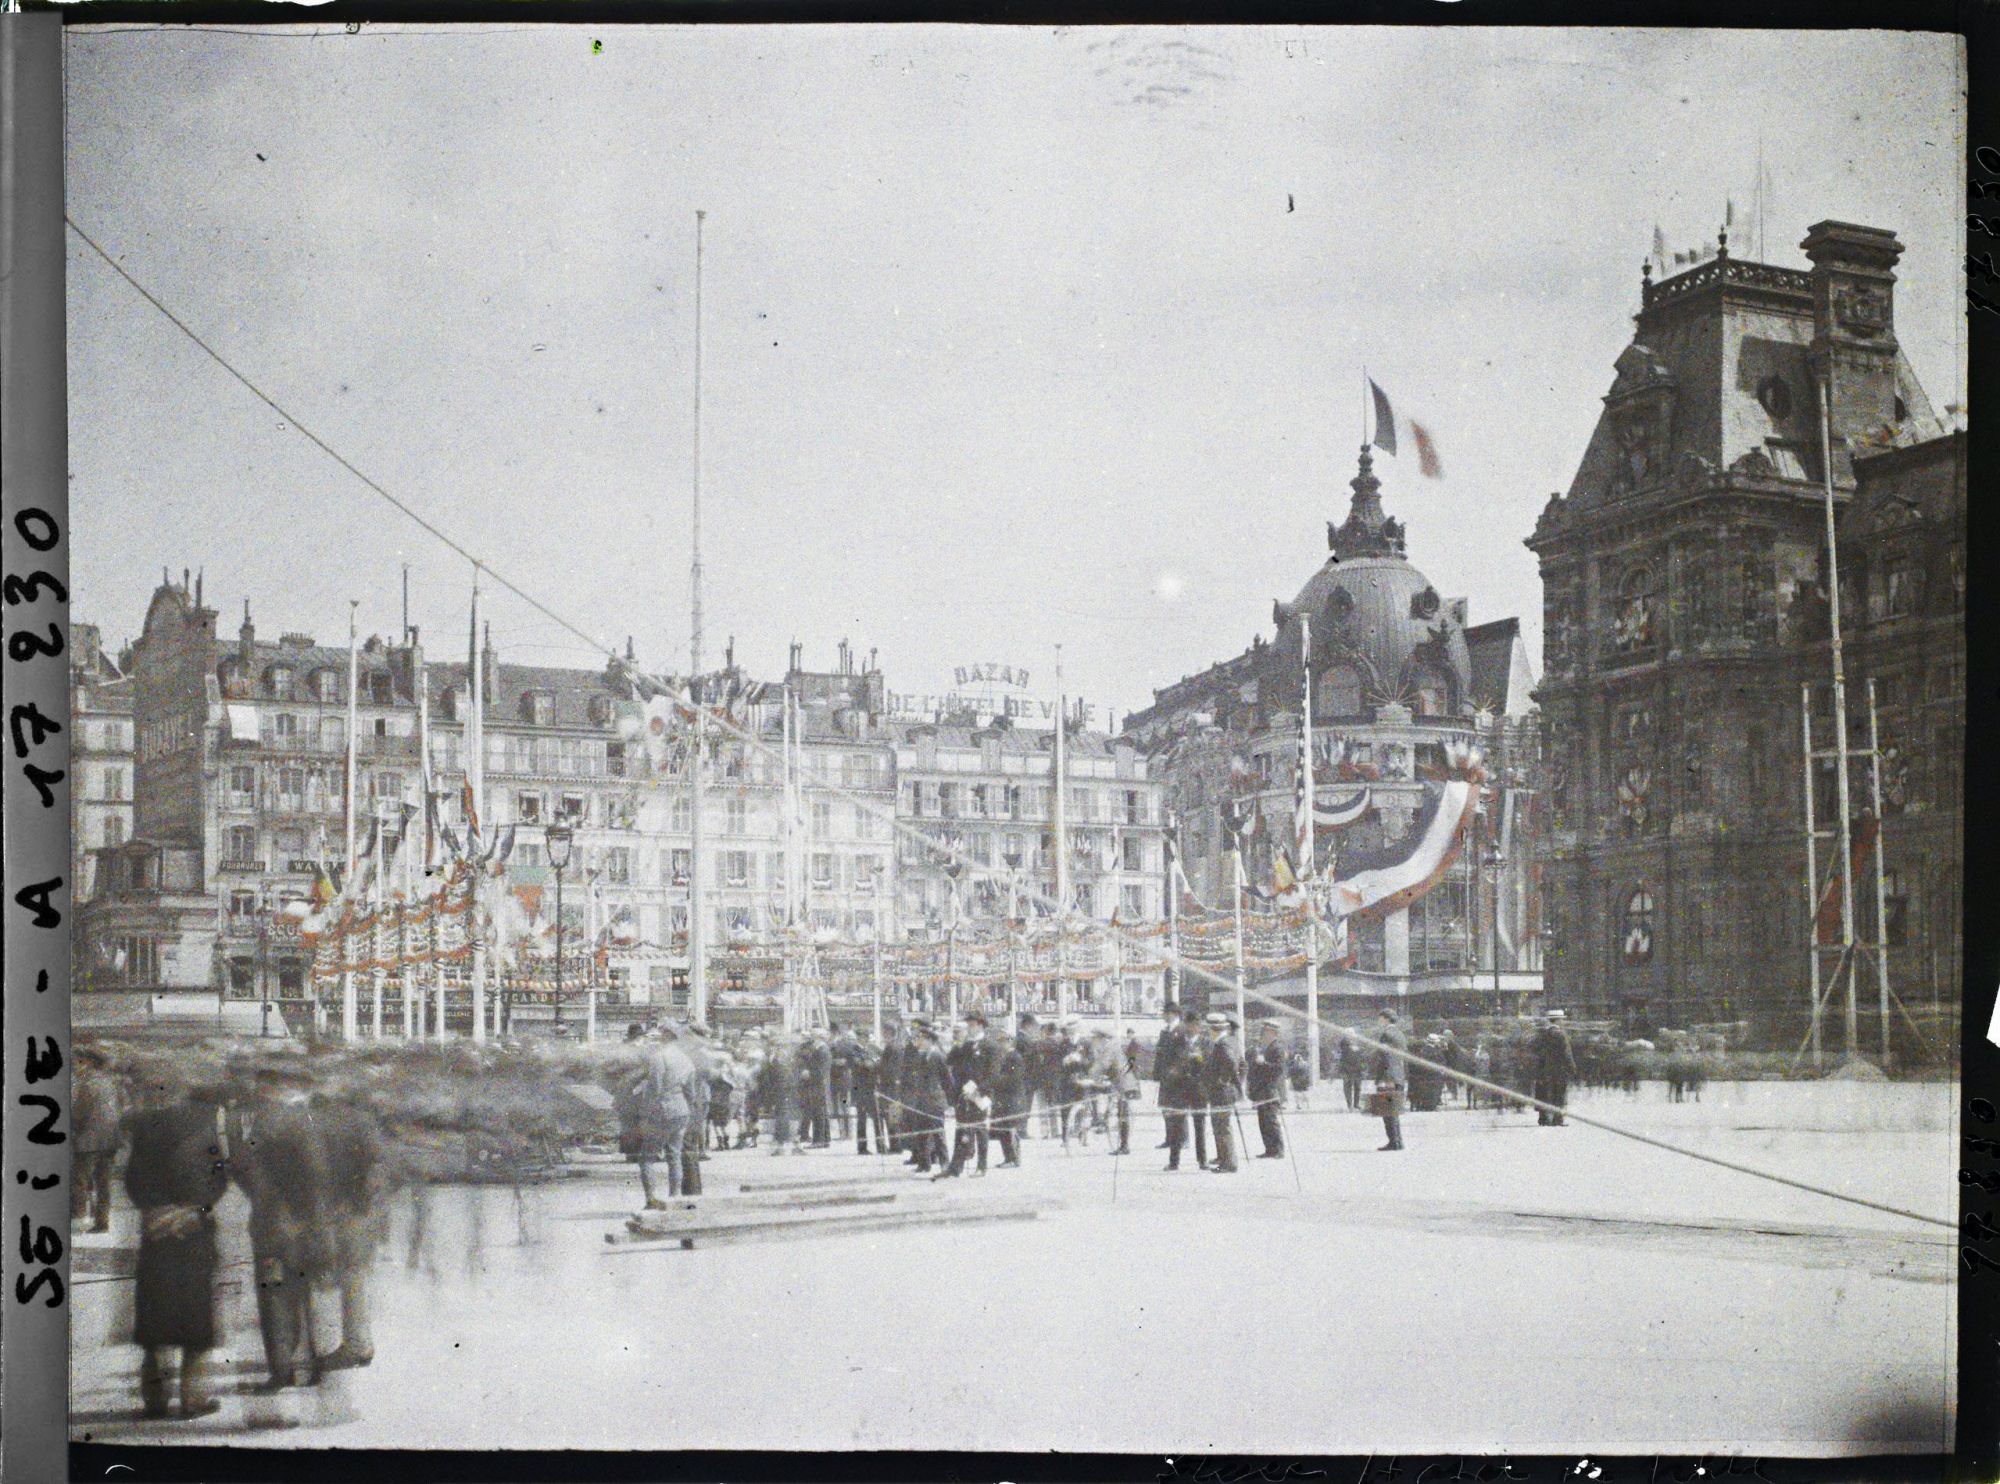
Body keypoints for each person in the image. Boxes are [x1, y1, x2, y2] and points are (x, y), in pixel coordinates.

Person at [124, 1064, 229, 1419]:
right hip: (193, 1231)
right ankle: (193, 1400)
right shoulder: (205, 1123)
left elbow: (132, 1182)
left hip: (157, 1232)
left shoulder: (142, 1127)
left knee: (154, 1322)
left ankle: (154, 1402)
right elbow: (218, 1181)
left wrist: (155, 1211)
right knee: (196, 1319)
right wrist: (194, 1211)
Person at [227, 1057, 329, 1390]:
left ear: (265, 1088)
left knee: (274, 1297)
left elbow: (244, 1172)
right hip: (304, 1226)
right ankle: (309, 1365)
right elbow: (318, 1177)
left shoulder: (256, 1125)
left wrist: (262, 1202)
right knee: (302, 1293)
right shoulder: (306, 1122)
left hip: (271, 1227)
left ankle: (282, 1370)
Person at [73, 1043, 126, 1234]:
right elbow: (122, 1107)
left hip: (89, 1140)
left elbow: (79, 1113)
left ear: (90, 1062)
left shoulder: (88, 1083)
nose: (80, 1064)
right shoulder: (112, 1082)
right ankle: (102, 1222)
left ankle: (78, 1221)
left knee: (79, 1180)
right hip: (110, 1139)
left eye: (82, 1061)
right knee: (104, 1182)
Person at [1161, 1010, 1208, 1170]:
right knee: (1176, 1126)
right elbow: (1168, 1063)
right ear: (1186, 1025)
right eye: (1190, 1025)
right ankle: (1174, 1162)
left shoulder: (1205, 1043)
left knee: (1200, 1126)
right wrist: (1173, 1072)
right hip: (1179, 1089)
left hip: (1199, 1090)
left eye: (1196, 1025)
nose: (1193, 1028)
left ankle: (1202, 1161)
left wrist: (1199, 1062)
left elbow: (1209, 1067)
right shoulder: (1176, 1041)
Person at [906, 1020, 953, 1172]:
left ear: (929, 1040)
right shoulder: (920, 1056)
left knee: (938, 1133)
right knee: (922, 1133)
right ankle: (924, 1163)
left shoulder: (938, 1056)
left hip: (935, 1100)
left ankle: (945, 1163)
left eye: (921, 1039)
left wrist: (950, 1101)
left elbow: (947, 1079)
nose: (919, 1041)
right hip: (922, 1100)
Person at [1200, 1013, 1242, 1173]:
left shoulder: (1222, 1045)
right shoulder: (1222, 1043)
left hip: (1222, 1093)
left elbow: (1231, 1063)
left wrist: (1222, 1080)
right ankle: (1224, 1159)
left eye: (1210, 1029)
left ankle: (1229, 1163)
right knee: (1219, 1126)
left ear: (1214, 1029)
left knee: (1223, 1127)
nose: (1209, 1032)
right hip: (1220, 1093)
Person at [1247, 1020, 1288, 1159]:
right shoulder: (1266, 1048)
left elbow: (1278, 1069)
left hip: (1270, 1089)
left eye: (1265, 1032)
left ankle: (1278, 1149)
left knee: (1271, 1120)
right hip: (1261, 1090)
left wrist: (1263, 1063)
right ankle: (1269, 1149)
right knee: (1263, 1121)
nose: (1262, 1035)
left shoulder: (1277, 1048)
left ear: (1271, 1033)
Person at [1530, 1009, 1578, 1126]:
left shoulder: (1541, 1034)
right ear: (1557, 1020)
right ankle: (1557, 1119)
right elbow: (1566, 1053)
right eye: (1562, 1020)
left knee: (1544, 1093)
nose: (1563, 1022)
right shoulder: (1561, 1035)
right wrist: (1572, 1067)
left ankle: (1543, 1118)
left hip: (1543, 1069)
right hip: (1559, 1070)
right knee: (1559, 1094)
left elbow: (1533, 1048)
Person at [937, 1077, 991, 1178]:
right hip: (962, 1096)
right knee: (961, 1132)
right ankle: (955, 1168)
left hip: (979, 1098)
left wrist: (978, 1091)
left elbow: (992, 1074)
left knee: (980, 1132)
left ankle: (981, 1167)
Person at [1371, 1008, 1409, 1151]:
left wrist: (1382, 1078)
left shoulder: (1386, 1034)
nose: (1379, 1021)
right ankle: (1398, 1141)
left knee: (1387, 1111)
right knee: (1394, 1111)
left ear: (1386, 1019)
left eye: (1380, 1018)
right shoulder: (1400, 1034)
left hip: (1388, 1077)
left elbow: (1385, 1058)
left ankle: (1393, 1142)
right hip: (1399, 1076)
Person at [989, 1031, 1027, 1167]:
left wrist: (997, 1080)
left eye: (1004, 1041)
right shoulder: (1003, 1057)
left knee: (1010, 1129)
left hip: (1012, 1098)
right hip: (1002, 1098)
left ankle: (1014, 1159)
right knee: (1002, 1129)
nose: (1001, 1044)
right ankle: (1008, 1158)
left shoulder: (1015, 1057)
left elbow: (1015, 1078)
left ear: (1010, 1042)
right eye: (1000, 1042)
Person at [848, 1028, 885, 1155]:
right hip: (861, 1089)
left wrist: (873, 1062)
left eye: (868, 1038)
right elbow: (861, 1065)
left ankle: (881, 1146)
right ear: (860, 1038)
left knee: (877, 1118)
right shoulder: (854, 1051)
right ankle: (862, 1147)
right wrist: (872, 1063)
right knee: (862, 1119)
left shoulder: (872, 1048)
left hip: (873, 1087)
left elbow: (881, 1060)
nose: (867, 1041)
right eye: (864, 1038)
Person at [798, 1026, 833, 1148]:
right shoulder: (819, 1049)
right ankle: (824, 1138)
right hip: (818, 1085)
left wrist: (809, 1074)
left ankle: (818, 1140)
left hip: (817, 1085)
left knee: (818, 1112)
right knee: (820, 1112)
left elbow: (821, 1070)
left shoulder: (822, 1050)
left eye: (813, 1035)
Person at [830, 1023, 859, 1141]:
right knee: (837, 1107)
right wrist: (834, 1062)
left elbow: (853, 1061)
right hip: (834, 1081)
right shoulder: (830, 1046)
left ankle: (847, 1133)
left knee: (844, 1105)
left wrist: (845, 1063)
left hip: (844, 1082)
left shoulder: (847, 1046)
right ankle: (842, 1132)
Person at [1339, 1032, 1365, 1112]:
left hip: (1358, 1071)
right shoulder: (1345, 1047)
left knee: (1358, 1088)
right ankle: (1350, 1105)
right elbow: (1342, 1061)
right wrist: (1342, 1071)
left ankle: (1356, 1104)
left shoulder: (1359, 1049)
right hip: (1347, 1072)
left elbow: (1363, 1060)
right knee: (1348, 1088)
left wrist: (1363, 1069)